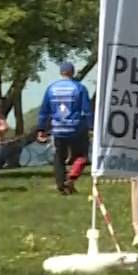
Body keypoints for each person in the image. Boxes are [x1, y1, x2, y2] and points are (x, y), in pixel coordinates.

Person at [35, 61, 93, 195]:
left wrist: (41, 129)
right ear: (73, 72)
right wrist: (91, 126)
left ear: (61, 72)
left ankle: (61, 185)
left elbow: (44, 111)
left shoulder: (51, 88)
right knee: (82, 156)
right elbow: (87, 110)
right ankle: (71, 177)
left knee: (59, 158)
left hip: (58, 129)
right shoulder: (79, 88)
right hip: (76, 128)